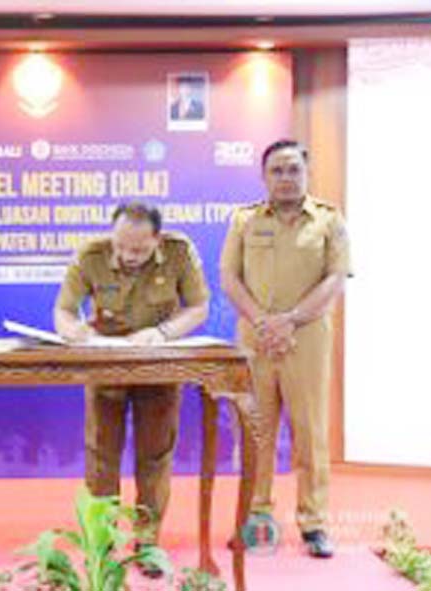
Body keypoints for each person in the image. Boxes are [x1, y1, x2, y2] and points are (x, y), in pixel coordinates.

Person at [53, 202, 209, 577]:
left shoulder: (179, 252)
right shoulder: (91, 256)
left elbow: (199, 306)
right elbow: (63, 310)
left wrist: (163, 332)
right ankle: (102, 545)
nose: (127, 256)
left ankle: (147, 543)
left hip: (157, 367)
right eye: (121, 246)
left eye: (138, 249)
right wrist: (73, 331)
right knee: (101, 457)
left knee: (155, 457)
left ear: (157, 239)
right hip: (106, 366)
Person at [220, 139, 351, 558]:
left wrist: (290, 319)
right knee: (256, 431)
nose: (286, 177)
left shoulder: (329, 220)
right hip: (255, 340)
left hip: (306, 338)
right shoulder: (244, 220)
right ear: (264, 176)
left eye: (294, 169)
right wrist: (263, 321)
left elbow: (335, 278)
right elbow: (229, 278)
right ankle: (256, 516)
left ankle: (314, 523)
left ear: (307, 173)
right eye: (277, 170)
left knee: (310, 433)